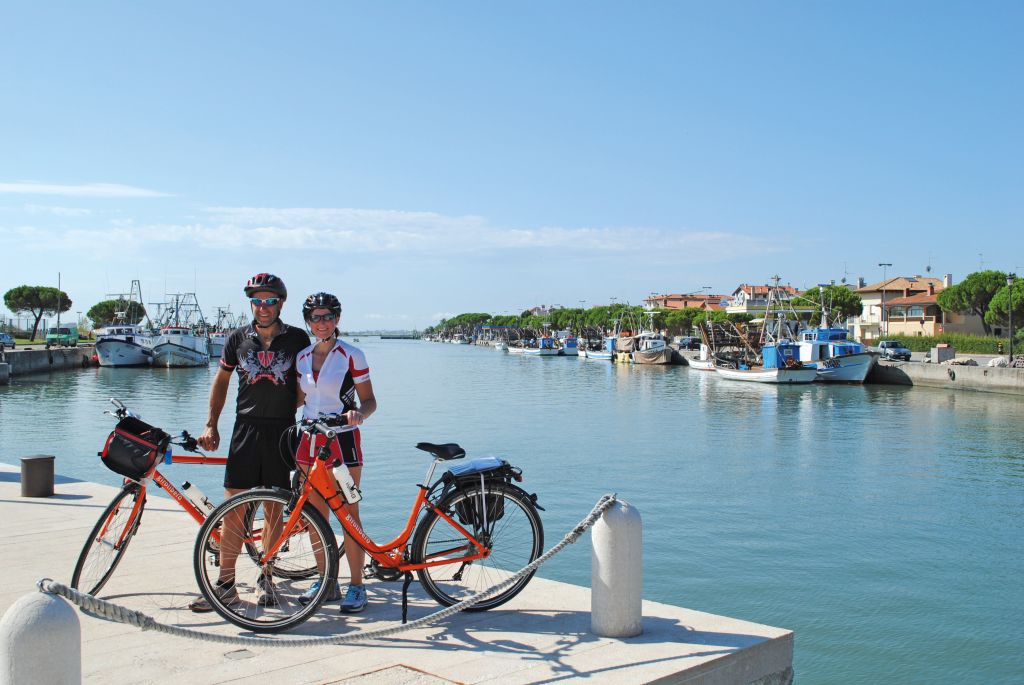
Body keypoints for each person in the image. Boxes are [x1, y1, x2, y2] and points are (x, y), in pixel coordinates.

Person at [189, 273, 311, 612]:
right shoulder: (237, 338)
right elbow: (222, 380)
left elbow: (310, 381)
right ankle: (226, 584)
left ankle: (267, 578)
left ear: (281, 303)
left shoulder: (298, 339)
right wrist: (211, 425)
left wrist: (299, 407)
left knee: (274, 509)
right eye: (257, 300)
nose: (263, 306)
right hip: (245, 430)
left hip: (283, 431)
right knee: (233, 510)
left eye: (270, 300)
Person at [294, 292, 377, 612]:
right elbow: (301, 400)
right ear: (308, 321)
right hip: (309, 441)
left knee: (348, 514)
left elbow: (369, 401)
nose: (322, 323)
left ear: (337, 319)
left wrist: (359, 414)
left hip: (342, 442)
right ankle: (326, 580)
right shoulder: (302, 357)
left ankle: (357, 585)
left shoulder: (352, 355)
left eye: (328, 316)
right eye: (315, 317)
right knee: (316, 516)